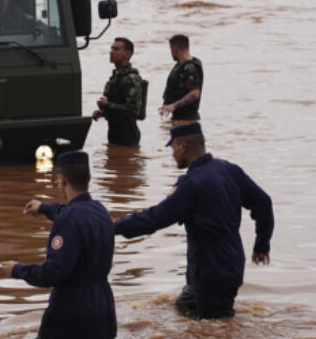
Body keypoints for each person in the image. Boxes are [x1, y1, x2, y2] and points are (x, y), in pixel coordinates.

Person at [114, 122, 274, 319]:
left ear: (183, 147)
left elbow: (153, 220)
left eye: (173, 149)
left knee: (217, 334)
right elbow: (264, 203)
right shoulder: (230, 170)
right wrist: (262, 243)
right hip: (231, 262)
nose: (172, 155)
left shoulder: (191, 184)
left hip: (210, 270)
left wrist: (113, 227)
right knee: (184, 305)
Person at [2, 150, 117, 339]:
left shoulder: (67, 220)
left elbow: (54, 273)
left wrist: (17, 270)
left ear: (62, 180)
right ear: (89, 177)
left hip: (70, 320)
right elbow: (73, 212)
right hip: (104, 317)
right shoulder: (101, 211)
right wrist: (44, 208)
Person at [92, 37, 145, 146]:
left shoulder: (132, 79)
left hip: (127, 134)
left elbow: (133, 110)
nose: (111, 52)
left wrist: (108, 105)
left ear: (127, 54)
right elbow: (118, 105)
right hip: (114, 131)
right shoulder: (116, 77)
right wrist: (102, 112)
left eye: (116, 49)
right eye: (111, 48)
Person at [159, 34, 203, 121]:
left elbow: (195, 93)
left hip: (187, 119)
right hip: (179, 118)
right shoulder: (180, 65)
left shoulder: (191, 67)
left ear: (174, 49)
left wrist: (173, 106)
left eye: (170, 49)